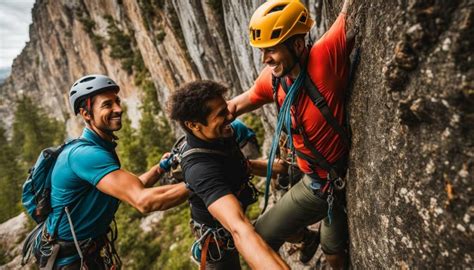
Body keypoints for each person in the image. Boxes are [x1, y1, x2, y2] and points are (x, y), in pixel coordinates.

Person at [227, 0, 356, 268]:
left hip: (323, 184)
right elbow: (241, 102)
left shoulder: (324, 57)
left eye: (271, 50)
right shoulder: (274, 78)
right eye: (263, 51)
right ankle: (309, 237)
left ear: (297, 45)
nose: (265, 59)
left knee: (327, 250)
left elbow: (349, 11)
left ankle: (324, 241)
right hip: (307, 172)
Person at [35, 74, 189, 269]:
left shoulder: (98, 147)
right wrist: (204, 181)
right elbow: (143, 201)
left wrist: (159, 169)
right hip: (71, 262)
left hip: (84, 254)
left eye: (117, 101)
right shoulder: (86, 155)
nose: (118, 109)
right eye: (107, 105)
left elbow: (130, 187)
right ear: (86, 114)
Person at [168, 80, 289, 270]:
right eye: (221, 114)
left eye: (226, 108)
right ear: (194, 125)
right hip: (217, 242)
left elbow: (239, 164)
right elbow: (238, 227)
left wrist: (277, 168)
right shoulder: (199, 168)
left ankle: (304, 239)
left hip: (234, 212)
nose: (231, 116)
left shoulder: (221, 132)